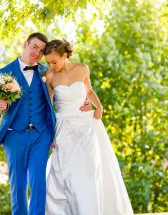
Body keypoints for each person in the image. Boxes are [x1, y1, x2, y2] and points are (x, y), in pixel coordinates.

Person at [0, 33, 91, 215]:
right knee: (18, 185)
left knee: (38, 183)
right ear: (26, 44)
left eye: (41, 50)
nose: (37, 52)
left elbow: (70, 85)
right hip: (14, 135)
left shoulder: (47, 71)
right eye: (34, 47)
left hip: (41, 135)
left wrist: (84, 100)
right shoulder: (4, 73)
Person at [43, 39, 133, 215]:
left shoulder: (82, 69)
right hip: (63, 128)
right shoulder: (51, 77)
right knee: (66, 173)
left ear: (64, 55)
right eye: (48, 62)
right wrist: (49, 134)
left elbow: (89, 92)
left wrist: (98, 106)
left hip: (85, 126)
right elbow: (48, 107)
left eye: (54, 61)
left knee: (89, 169)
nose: (51, 66)